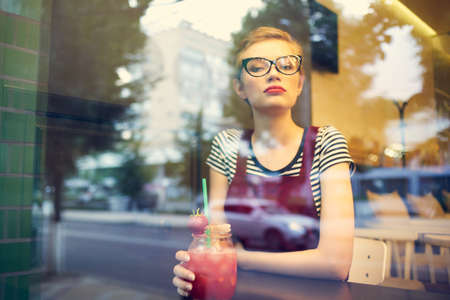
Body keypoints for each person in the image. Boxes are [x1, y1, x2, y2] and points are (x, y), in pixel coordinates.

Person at [172, 26, 354, 298]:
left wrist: (239, 258)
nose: (274, 73)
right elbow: (216, 243)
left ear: (300, 83)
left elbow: (335, 264)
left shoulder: (326, 143)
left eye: (286, 65)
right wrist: (193, 269)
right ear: (240, 88)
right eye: (257, 67)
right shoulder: (228, 146)